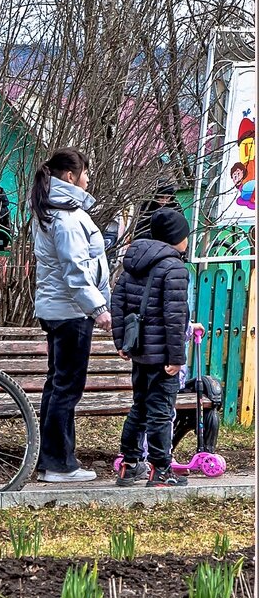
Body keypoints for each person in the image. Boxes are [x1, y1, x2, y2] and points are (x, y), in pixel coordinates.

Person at [30, 148, 111, 484]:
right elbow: (76, 272)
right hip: (71, 312)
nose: (88, 179)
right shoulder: (65, 219)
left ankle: (51, 459)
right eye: (85, 173)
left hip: (59, 309)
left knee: (58, 385)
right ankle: (59, 464)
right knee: (67, 388)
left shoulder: (54, 210)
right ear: (70, 176)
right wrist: (99, 309)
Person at [111, 208, 195, 487]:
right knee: (161, 411)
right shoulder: (174, 268)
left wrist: (122, 341)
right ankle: (161, 469)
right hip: (163, 356)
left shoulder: (134, 262)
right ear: (176, 237)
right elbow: (175, 317)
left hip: (139, 350)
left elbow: (118, 303)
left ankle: (130, 464)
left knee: (140, 407)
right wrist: (177, 357)